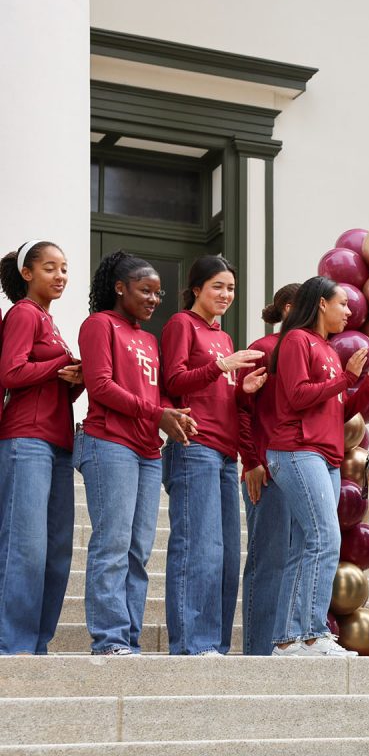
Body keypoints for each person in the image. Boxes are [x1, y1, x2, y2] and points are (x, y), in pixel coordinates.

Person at [77, 250, 196, 655]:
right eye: (145, 291)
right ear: (120, 288)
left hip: (147, 448)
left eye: (159, 294)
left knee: (138, 550)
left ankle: (128, 638)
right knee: (112, 543)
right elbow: (101, 386)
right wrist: (157, 412)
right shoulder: (98, 325)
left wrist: (173, 416)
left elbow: (155, 391)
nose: (152, 299)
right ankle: (109, 640)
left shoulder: (148, 338)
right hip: (108, 443)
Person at [267, 276, 369, 657]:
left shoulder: (324, 347)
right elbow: (298, 396)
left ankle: (287, 640)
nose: (349, 310)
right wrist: (346, 378)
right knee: (326, 538)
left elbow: (338, 410)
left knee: (308, 544)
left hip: (324, 453)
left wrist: (366, 386)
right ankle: (311, 632)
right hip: (297, 450)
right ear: (321, 304)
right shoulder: (295, 341)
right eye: (342, 304)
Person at [160, 255, 264, 655]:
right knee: (197, 549)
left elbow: (220, 393)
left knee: (224, 556)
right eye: (218, 286)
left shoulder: (222, 336)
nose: (225, 295)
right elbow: (174, 380)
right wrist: (221, 365)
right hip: (194, 447)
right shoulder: (180, 325)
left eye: (231, 288)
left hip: (225, 452)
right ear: (197, 288)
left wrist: (243, 388)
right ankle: (191, 644)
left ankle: (215, 645)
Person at [0, 241, 82, 654]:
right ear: (27, 274)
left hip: (58, 442)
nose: (60, 275)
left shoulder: (52, 324)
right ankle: (11, 645)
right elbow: (11, 372)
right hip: (25, 440)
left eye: (64, 268)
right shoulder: (23, 313)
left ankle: (37, 644)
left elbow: (53, 389)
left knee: (56, 552)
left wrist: (76, 380)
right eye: (50, 267)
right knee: (25, 548)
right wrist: (59, 366)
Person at [237, 283, 300, 655]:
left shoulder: (310, 350)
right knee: (269, 561)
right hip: (269, 474)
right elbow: (242, 408)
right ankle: (259, 650)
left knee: (294, 562)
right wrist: (252, 461)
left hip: (302, 474)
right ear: (291, 309)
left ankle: (286, 643)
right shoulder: (264, 350)